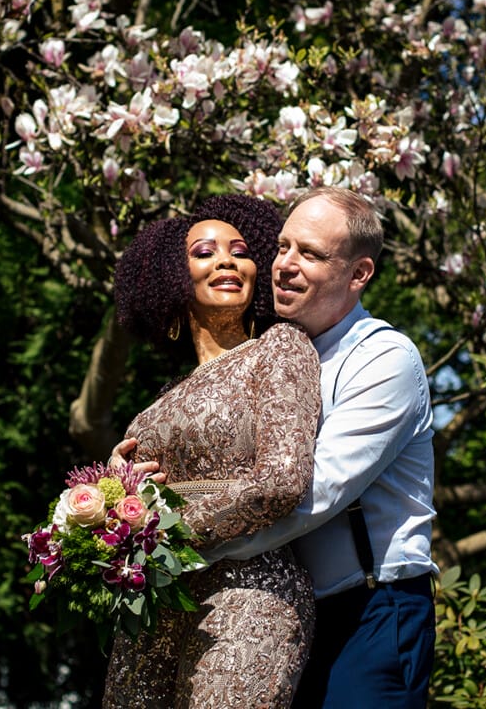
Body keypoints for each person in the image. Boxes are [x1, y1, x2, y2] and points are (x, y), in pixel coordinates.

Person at [205, 187, 437, 709]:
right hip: (286, 609)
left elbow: (314, 494)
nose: (284, 265)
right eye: (283, 247)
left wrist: (195, 551)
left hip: (373, 611)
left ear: (359, 275)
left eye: (309, 254)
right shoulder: (269, 356)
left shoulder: (384, 360)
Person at [102, 194, 322, 709]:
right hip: (154, 602)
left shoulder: (281, 348)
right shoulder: (150, 411)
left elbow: (283, 480)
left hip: (249, 591)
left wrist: (159, 535)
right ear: (173, 283)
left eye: (240, 250)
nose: (226, 260)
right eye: (204, 252)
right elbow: (135, 498)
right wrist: (112, 492)